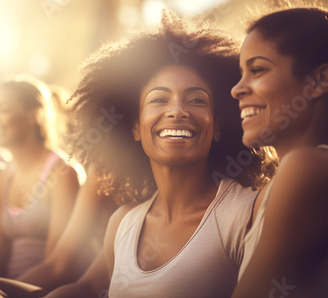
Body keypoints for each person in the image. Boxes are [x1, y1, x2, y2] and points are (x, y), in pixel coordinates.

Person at [45, 11, 270, 298]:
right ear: (135, 127)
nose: (177, 110)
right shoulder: (123, 222)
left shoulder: (245, 215)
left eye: (196, 99)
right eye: (159, 99)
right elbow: (88, 288)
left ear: (217, 127)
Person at [230, 7, 328, 297]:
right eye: (241, 73)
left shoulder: (306, 167)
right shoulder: (281, 182)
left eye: (257, 70)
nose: (237, 89)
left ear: (319, 81)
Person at [0, 78, 80, 283]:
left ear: (34, 116)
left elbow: (56, 266)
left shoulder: (62, 173)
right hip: (5, 284)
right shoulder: (4, 177)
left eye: (3, 110)